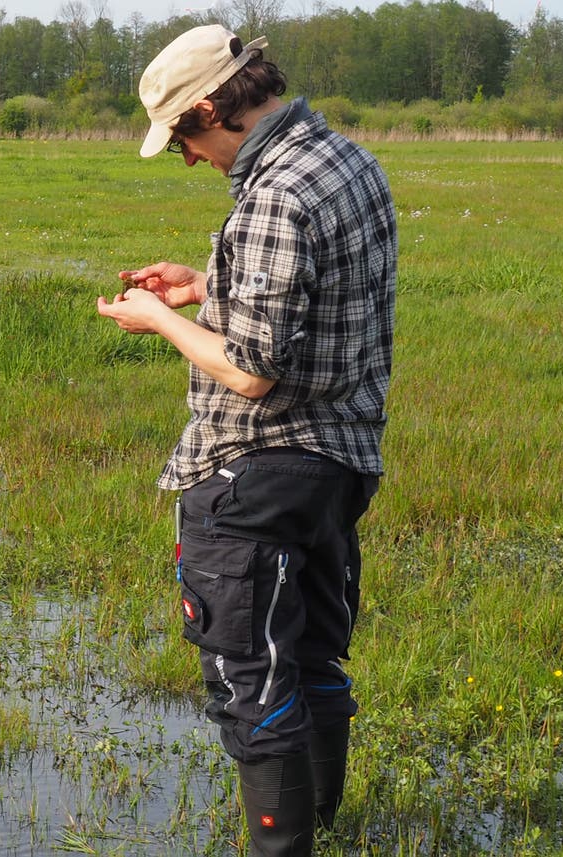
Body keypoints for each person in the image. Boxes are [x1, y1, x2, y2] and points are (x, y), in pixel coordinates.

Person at [94, 24, 396, 856]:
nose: (189, 159)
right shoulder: (346, 160)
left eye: (185, 139)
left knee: (249, 680)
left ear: (209, 108)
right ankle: (326, 826)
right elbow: (315, 293)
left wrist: (158, 319)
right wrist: (205, 284)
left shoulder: (273, 193)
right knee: (312, 654)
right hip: (339, 464)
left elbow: (253, 371)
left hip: (255, 473)